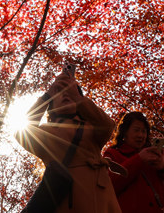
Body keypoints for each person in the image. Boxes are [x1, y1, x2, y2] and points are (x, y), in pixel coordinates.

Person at [15, 68, 121, 213]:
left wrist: (78, 98)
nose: (65, 95)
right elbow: (22, 134)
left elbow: (108, 126)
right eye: (59, 93)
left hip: (103, 199)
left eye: (70, 92)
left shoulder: (92, 126)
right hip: (70, 202)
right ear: (51, 105)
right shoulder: (47, 133)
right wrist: (47, 96)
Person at [103, 112, 164, 213]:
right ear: (125, 132)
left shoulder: (152, 155)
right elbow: (109, 184)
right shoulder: (112, 154)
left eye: (144, 131)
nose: (141, 135)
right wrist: (139, 159)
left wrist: (162, 167)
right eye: (136, 130)